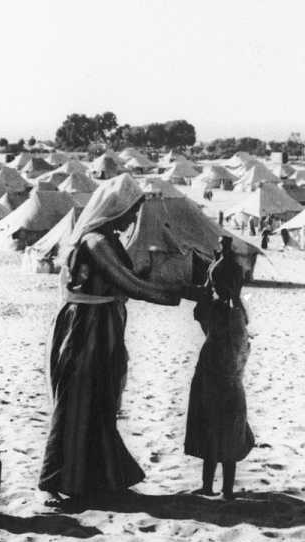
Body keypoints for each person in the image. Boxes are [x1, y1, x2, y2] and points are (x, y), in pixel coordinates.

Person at [39, 175, 186, 508]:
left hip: (102, 327)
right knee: (76, 402)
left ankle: (100, 479)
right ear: (117, 208)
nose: (134, 217)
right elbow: (128, 283)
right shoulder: (96, 242)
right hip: (86, 330)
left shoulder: (105, 239)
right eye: (132, 210)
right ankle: (56, 482)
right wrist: (174, 296)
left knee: (100, 404)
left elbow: (128, 278)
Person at [185, 236, 254, 500]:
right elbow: (243, 347)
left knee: (209, 425)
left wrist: (207, 284)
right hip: (232, 376)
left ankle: (207, 486)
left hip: (211, 369)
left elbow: (199, 315)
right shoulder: (239, 313)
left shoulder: (214, 309)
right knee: (229, 429)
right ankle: (226, 490)